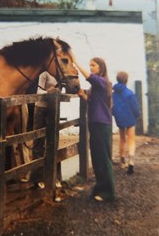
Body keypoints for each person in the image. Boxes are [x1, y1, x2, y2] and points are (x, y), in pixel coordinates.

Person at [71, 55, 115, 202]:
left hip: (102, 125)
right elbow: (93, 101)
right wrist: (83, 95)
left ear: (101, 67)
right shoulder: (97, 86)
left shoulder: (103, 82)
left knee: (103, 158)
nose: (90, 68)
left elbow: (90, 78)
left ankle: (109, 192)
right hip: (96, 124)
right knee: (96, 158)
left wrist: (75, 61)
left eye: (93, 65)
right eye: (90, 65)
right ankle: (101, 187)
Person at [32, 71, 61, 189]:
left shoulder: (59, 75)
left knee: (54, 142)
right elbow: (39, 91)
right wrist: (50, 92)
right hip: (41, 109)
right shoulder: (44, 74)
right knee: (38, 142)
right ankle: (38, 178)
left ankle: (56, 177)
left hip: (54, 108)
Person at [112, 71, 140, 175]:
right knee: (131, 139)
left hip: (120, 118)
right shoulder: (129, 93)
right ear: (126, 80)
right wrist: (137, 115)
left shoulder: (113, 94)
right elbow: (135, 107)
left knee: (122, 138)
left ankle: (122, 160)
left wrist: (115, 115)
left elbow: (111, 107)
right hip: (130, 118)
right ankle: (131, 160)